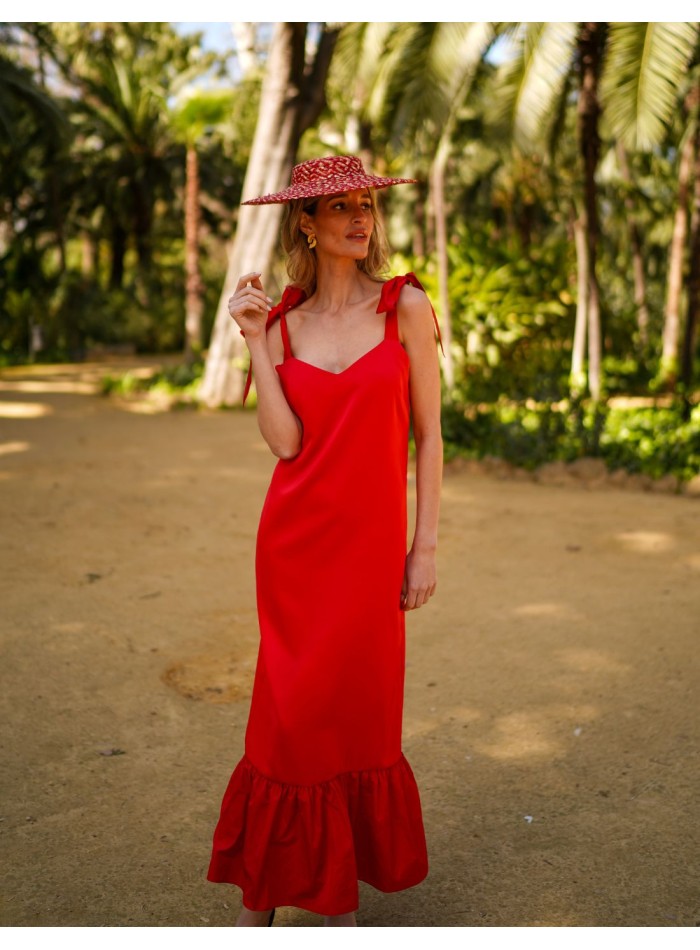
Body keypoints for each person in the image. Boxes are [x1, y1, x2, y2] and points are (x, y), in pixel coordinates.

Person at [206, 154, 444, 927]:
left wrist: (425, 545)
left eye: (365, 203)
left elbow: (430, 439)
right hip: (295, 553)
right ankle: (264, 899)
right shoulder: (280, 322)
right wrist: (252, 340)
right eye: (338, 207)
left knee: (354, 716)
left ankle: (333, 901)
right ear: (306, 223)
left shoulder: (405, 308)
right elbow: (284, 444)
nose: (359, 217)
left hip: (372, 556)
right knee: (289, 721)